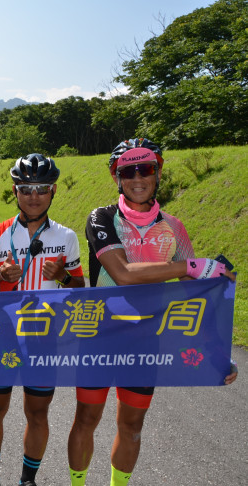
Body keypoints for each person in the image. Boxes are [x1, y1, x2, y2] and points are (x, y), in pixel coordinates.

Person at [68, 138, 238, 486]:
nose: (137, 178)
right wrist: (190, 266)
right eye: (128, 171)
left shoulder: (174, 227)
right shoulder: (101, 217)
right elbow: (123, 274)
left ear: (158, 172)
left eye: (145, 168)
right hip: (98, 335)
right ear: (117, 177)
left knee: (131, 427)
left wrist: (217, 351)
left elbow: (195, 294)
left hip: (145, 339)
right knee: (86, 418)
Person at [0, 154, 85, 486]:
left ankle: (28, 479)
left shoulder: (66, 237)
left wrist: (64, 276)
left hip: (44, 334)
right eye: (26, 189)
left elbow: (81, 287)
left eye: (41, 189)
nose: (33, 196)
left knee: (37, 412)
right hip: (3, 331)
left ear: (53, 191)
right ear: (15, 191)